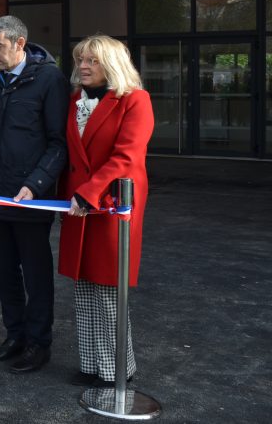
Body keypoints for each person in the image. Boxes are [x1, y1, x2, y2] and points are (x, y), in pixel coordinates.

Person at [60, 35, 154, 388]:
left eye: (92, 61)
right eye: (80, 60)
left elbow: (127, 157)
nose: (83, 66)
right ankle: (90, 364)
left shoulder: (136, 101)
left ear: (112, 64)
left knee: (110, 291)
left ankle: (118, 369)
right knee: (84, 287)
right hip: (80, 207)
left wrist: (89, 193)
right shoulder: (75, 101)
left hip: (113, 207)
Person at [0, 15, 68, 373]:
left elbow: (59, 143)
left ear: (19, 44)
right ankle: (14, 335)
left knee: (35, 274)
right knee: (4, 273)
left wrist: (36, 184)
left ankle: (38, 343)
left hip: (31, 198)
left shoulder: (49, 80)